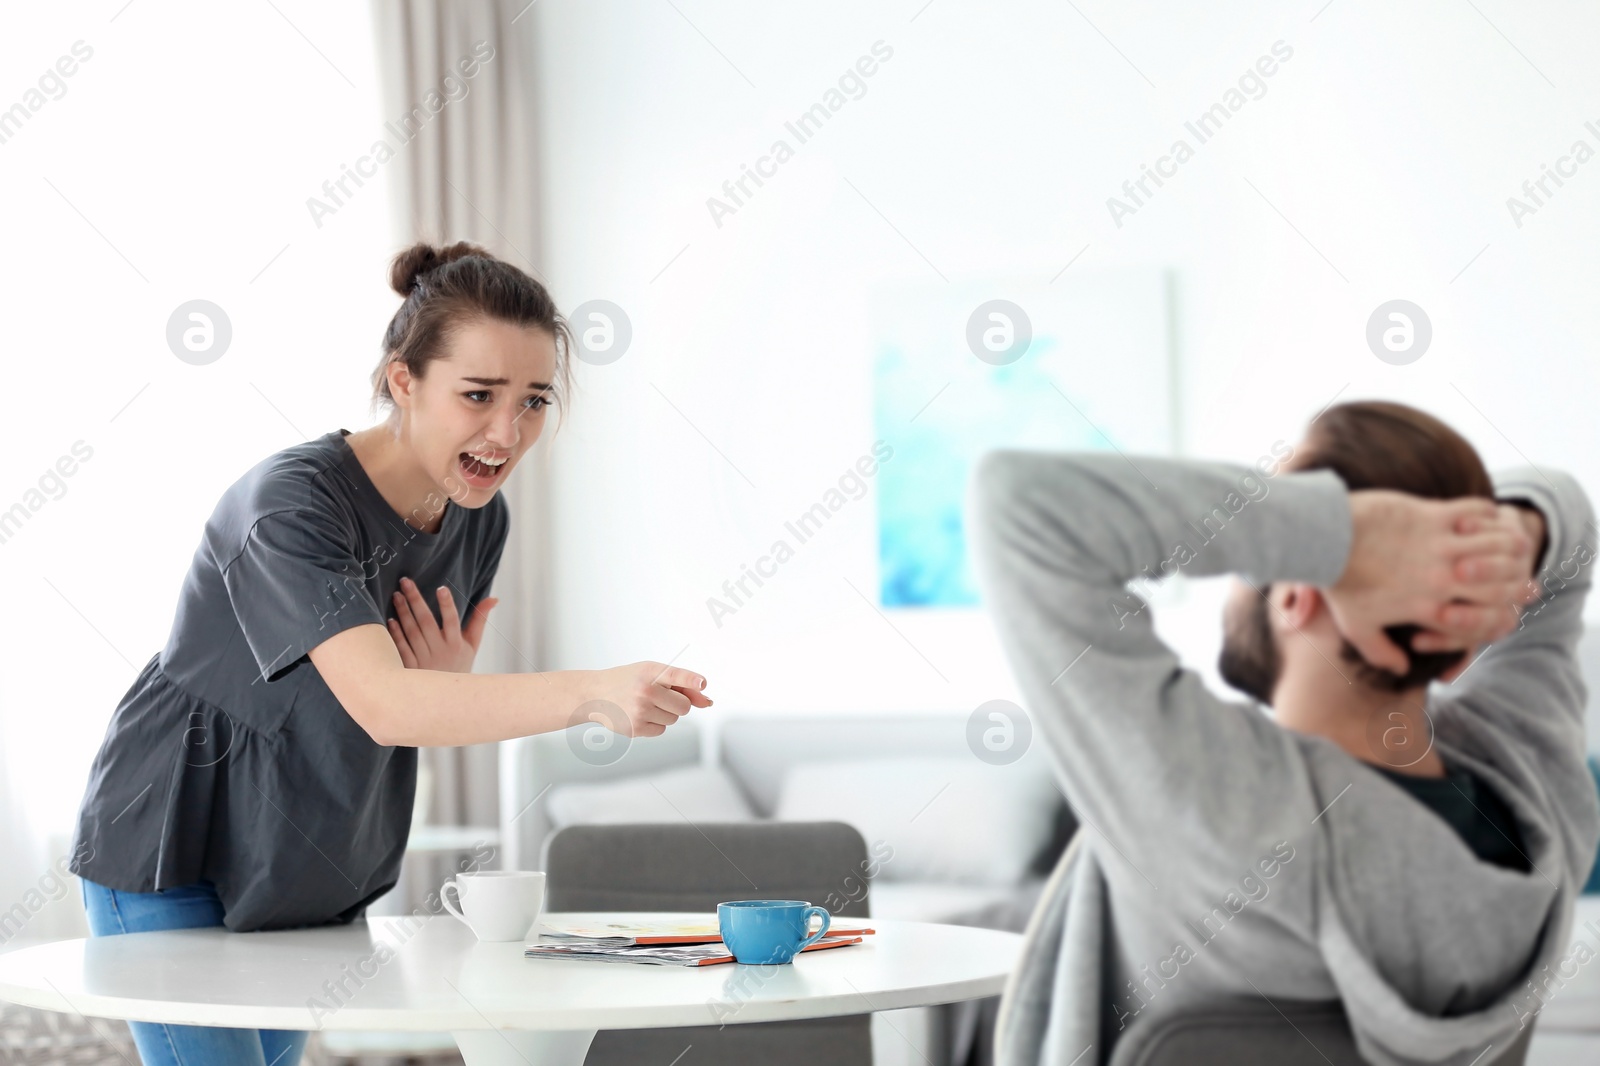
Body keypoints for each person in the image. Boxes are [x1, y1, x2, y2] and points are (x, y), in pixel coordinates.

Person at [67, 241, 712, 1066]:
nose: (507, 433)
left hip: (307, 841)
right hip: (174, 835)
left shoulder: (480, 515)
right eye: (478, 395)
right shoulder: (291, 507)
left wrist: (440, 693)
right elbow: (387, 701)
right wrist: (589, 692)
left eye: (535, 400)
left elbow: (413, 704)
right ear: (403, 381)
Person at [973, 401, 1600, 1065]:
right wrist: (1464, 552)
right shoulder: (1542, 804)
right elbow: (1574, 527)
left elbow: (1021, 505)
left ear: (1299, 589)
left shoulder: (1223, 803)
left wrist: (1347, 541)